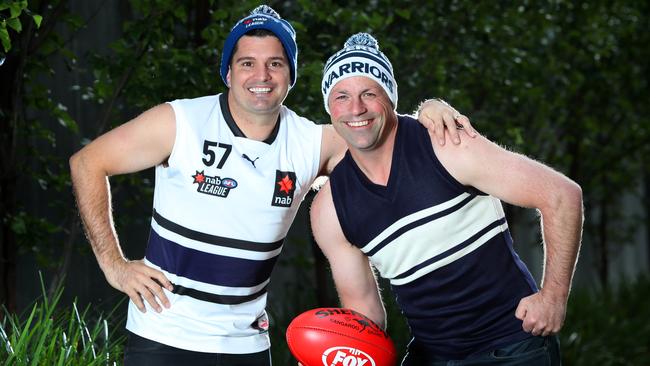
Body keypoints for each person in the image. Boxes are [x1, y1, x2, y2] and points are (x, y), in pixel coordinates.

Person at [69, 6, 475, 365]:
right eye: (247, 63)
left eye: (275, 64)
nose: (260, 76)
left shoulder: (311, 142)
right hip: (162, 337)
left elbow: (380, 129)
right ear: (228, 71)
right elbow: (88, 162)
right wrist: (114, 265)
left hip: (245, 345)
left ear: (291, 75)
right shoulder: (179, 122)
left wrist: (428, 110)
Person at [310, 33, 583, 365]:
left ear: (390, 98)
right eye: (342, 96)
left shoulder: (444, 143)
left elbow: (561, 195)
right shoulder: (330, 209)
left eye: (369, 93)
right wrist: (334, 352)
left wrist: (553, 298)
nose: (356, 108)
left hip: (510, 347)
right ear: (329, 107)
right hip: (433, 355)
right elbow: (365, 312)